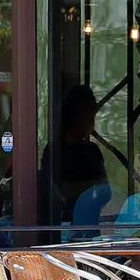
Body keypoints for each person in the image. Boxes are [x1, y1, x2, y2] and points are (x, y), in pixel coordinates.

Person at [40, 85, 109, 226]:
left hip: (88, 225)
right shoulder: (53, 151)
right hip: (57, 226)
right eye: (88, 115)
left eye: (93, 115)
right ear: (73, 115)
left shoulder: (92, 151)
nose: (92, 121)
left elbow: (106, 191)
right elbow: (49, 188)